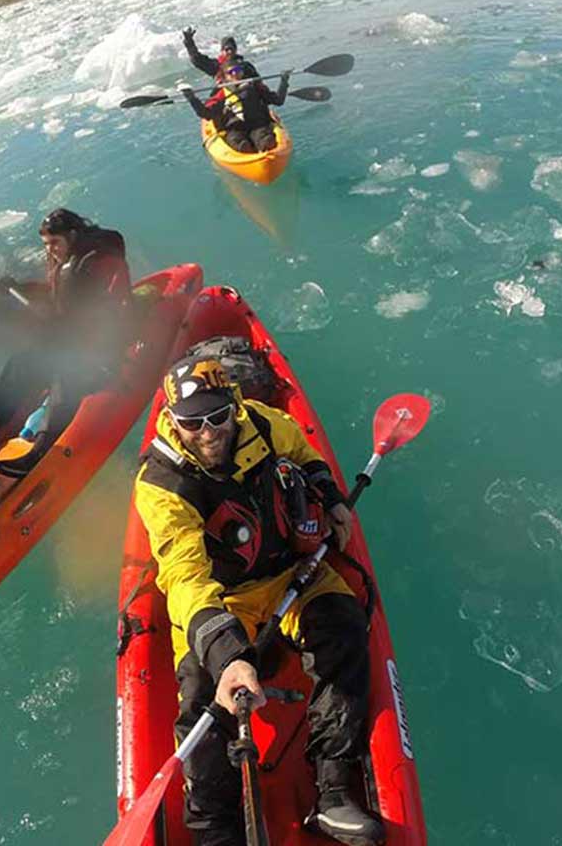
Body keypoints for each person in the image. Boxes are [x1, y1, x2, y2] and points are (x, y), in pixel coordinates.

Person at [133, 357, 384, 846]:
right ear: (173, 418)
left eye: (217, 417)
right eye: (191, 422)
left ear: (235, 407)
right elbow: (184, 577)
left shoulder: (264, 424)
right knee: (204, 698)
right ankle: (213, 830)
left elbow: (305, 455)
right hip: (225, 599)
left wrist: (331, 498)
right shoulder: (163, 483)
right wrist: (226, 657)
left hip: (293, 573)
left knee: (344, 629)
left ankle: (332, 792)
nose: (207, 432)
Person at [0, 208, 131, 480]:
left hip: (105, 346)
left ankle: (39, 451)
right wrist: (19, 287)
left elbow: (84, 312)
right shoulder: (72, 262)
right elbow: (57, 297)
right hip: (83, 335)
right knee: (23, 358)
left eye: (54, 243)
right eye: (46, 245)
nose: (50, 250)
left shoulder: (91, 264)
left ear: (72, 236)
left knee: (67, 372)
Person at [179, 61, 290, 153]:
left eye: (237, 70)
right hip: (234, 129)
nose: (235, 74)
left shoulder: (255, 87)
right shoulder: (221, 93)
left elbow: (278, 101)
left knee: (265, 139)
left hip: (257, 126)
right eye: (230, 72)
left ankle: (265, 146)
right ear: (225, 76)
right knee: (240, 143)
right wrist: (191, 98)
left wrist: (284, 81)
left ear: (242, 72)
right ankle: (246, 151)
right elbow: (206, 114)